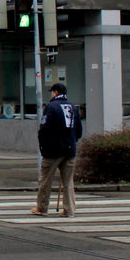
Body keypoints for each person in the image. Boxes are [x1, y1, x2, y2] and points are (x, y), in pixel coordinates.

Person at [33, 83, 83, 216]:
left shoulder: (51, 107)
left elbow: (44, 128)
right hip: (70, 148)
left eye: (52, 92)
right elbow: (78, 130)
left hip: (53, 150)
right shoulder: (73, 107)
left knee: (45, 179)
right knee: (68, 181)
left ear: (55, 92)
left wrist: (43, 146)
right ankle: (69, 209)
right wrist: (72, 141)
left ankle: (42, 207)